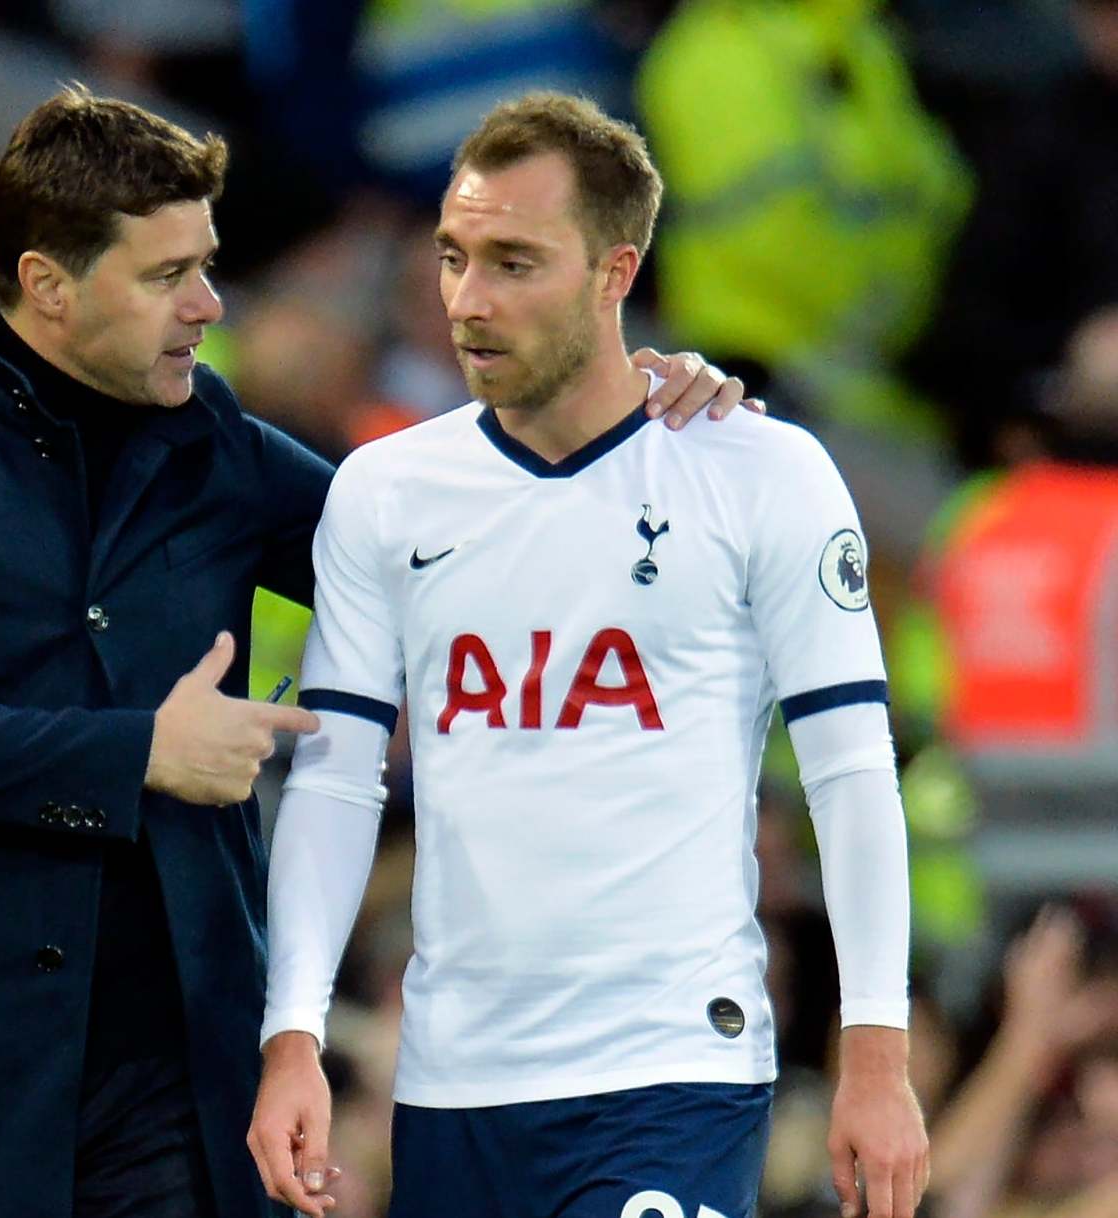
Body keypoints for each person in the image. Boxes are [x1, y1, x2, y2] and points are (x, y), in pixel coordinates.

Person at [0, 86, 748, 1218]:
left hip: (174, 1084)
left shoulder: (213, 443)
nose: (207, 304)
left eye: (208, 264)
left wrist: (637, 424)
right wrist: (138, 752)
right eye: (166, 275)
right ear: (46, 283)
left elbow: (471, 568)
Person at [249, 92, 927, 1218]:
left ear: (615, 274)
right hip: (452, 1085)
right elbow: (334, 778)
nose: (469, 300)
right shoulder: (384, 490)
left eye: (516, 262)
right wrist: (293, 1035)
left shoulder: (758, 473)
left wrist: (874, 1054)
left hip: (671, 1074)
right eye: (454, 257)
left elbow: (853, 775)